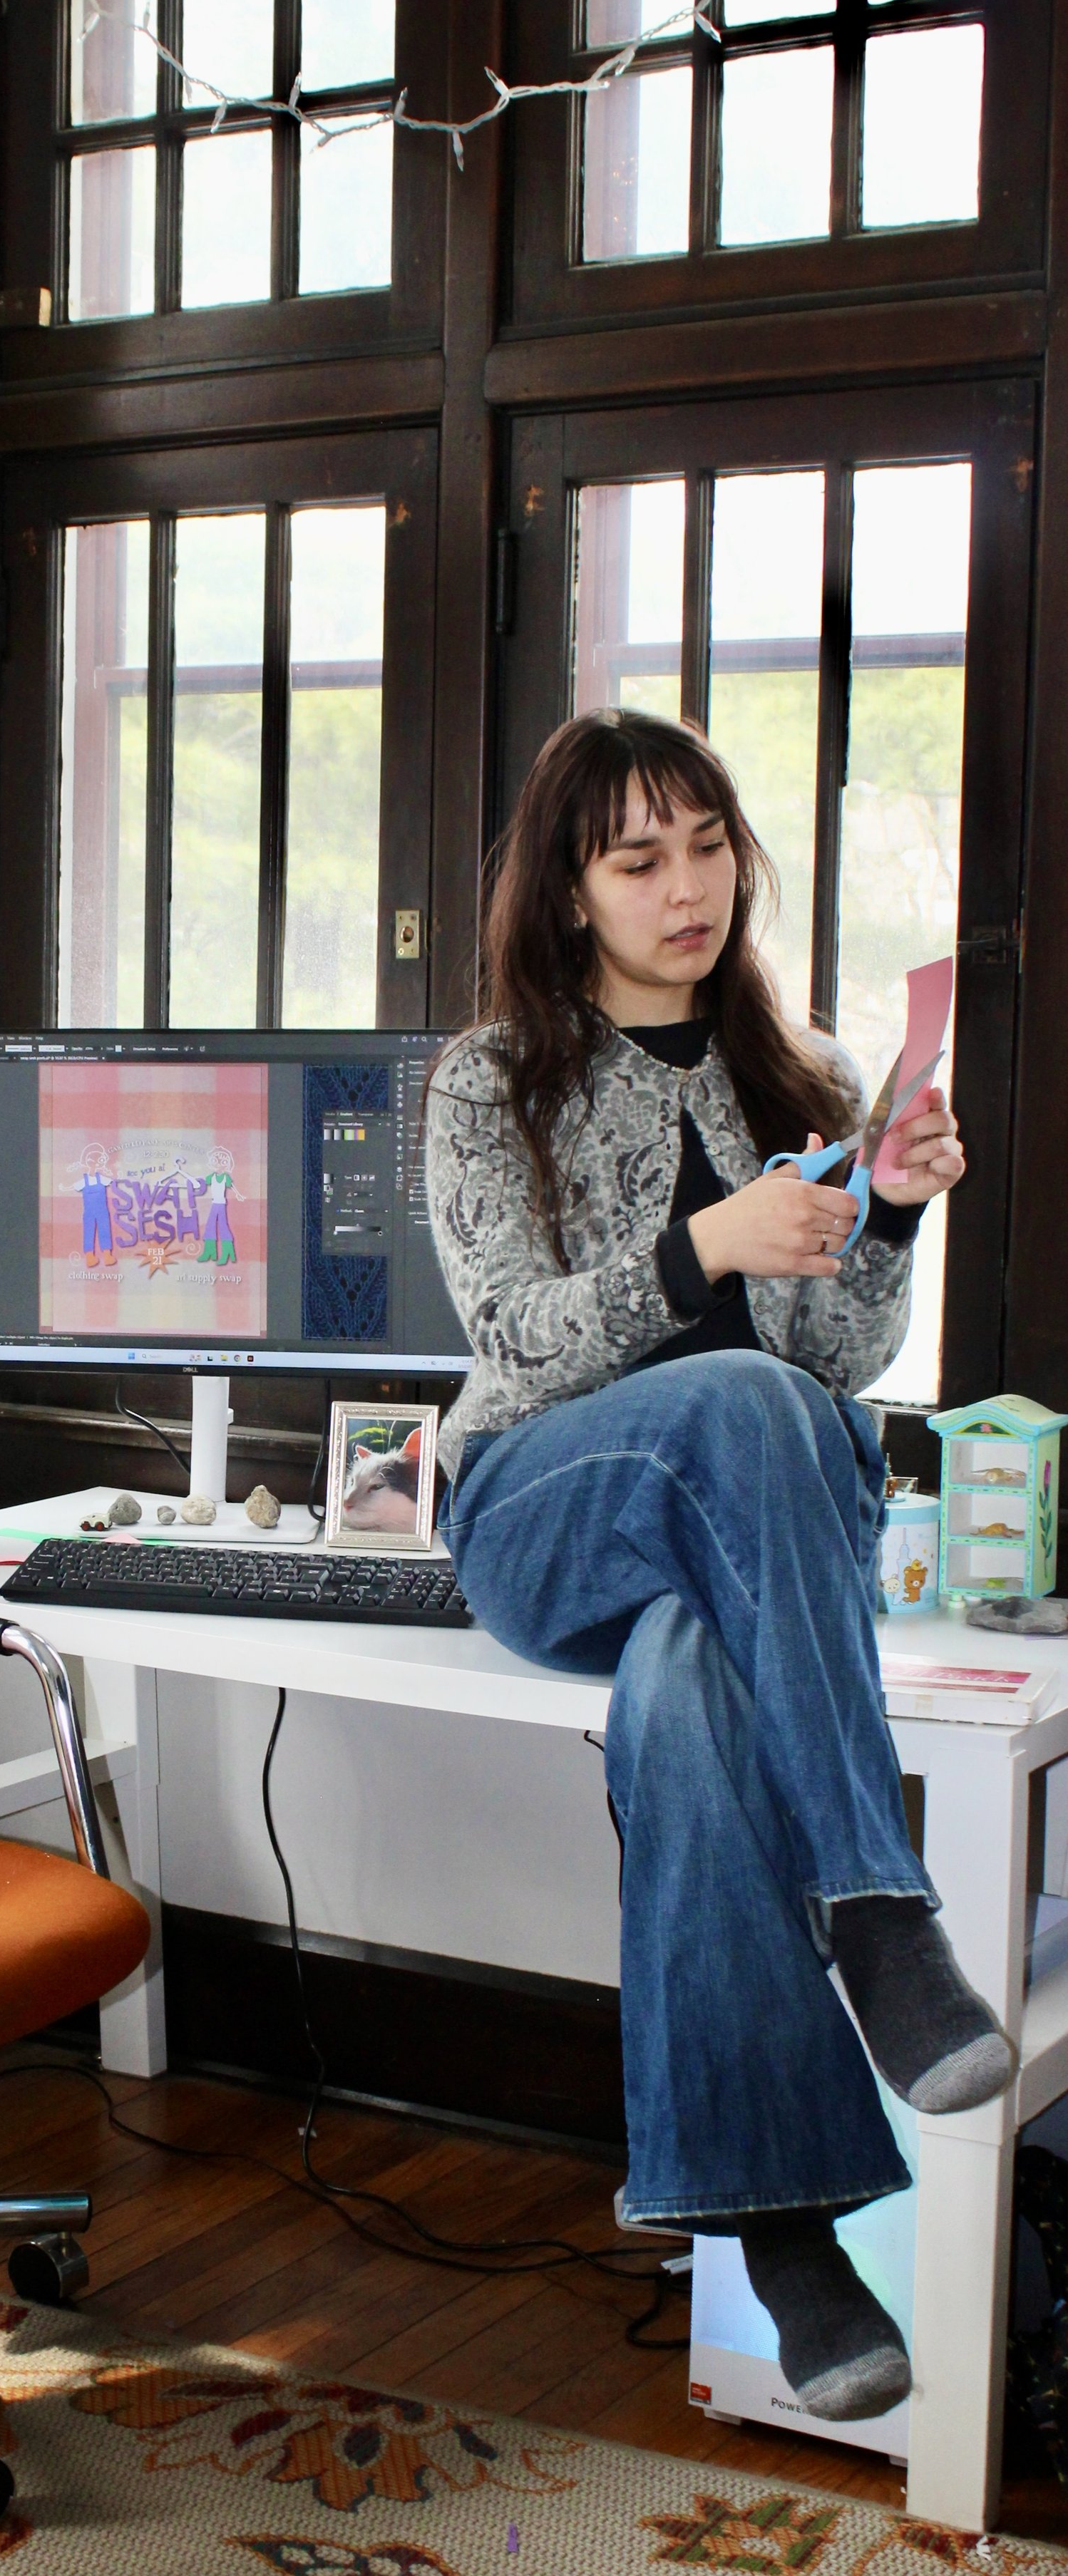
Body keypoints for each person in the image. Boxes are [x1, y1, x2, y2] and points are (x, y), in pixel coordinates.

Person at [426, 707, 1004, 2427]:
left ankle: (777, 2228)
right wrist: (702, 1248)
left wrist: (888, 1209)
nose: (684, 890)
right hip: (546, 1508)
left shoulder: (798, 1073)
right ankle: (875, 1912)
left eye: (704, 849)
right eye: (636, 860)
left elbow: (836, 1359)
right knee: (739, 1405)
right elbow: (512, 1338)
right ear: (567, 888)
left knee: (688, 1683)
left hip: (737, 1539)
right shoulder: (488, 1080)